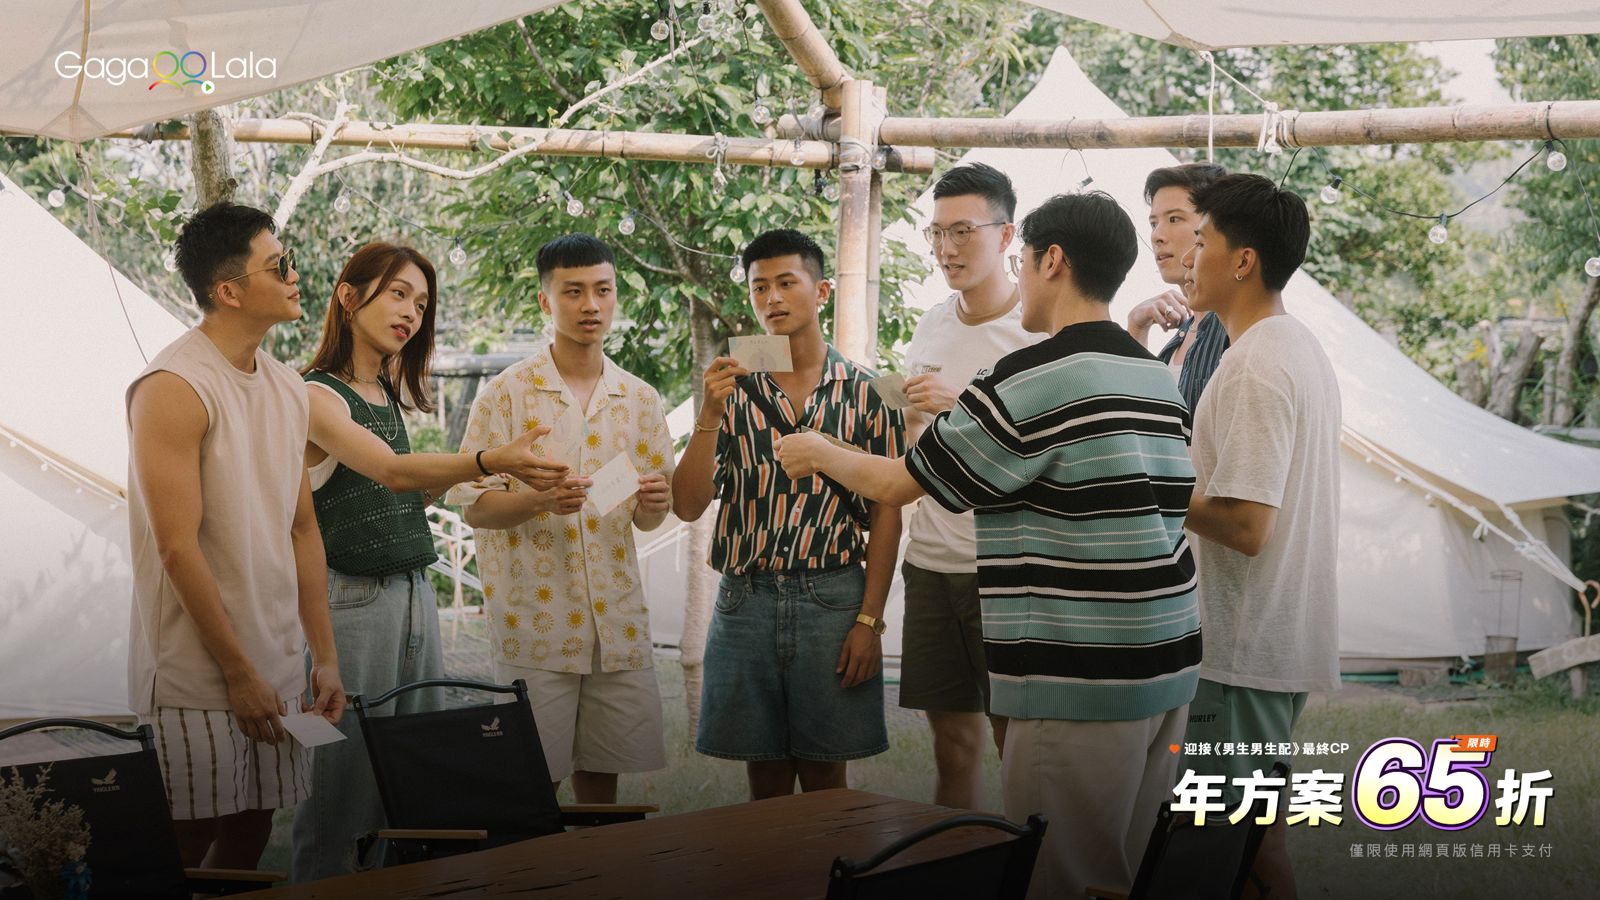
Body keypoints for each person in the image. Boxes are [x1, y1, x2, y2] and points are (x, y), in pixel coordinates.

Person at [774, 193, 1200, 900]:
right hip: (1166, 665)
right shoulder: (1156, 375)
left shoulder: (1030, 378)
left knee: (1063, 878)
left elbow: (903, 481)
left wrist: (818, 451)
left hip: (1080, 674)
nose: (1020, 276)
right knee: (1123, 873)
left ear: (1052, 261)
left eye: (1023, 259)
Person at [290, 242, 568, 880]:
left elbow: (401, 491)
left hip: (415, 594)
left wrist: (496, 483)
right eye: (397, 294)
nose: (411, 313)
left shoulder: (383, 394)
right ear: (347, 295)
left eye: (420, 303)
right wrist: (489, 458)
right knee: (341, 802)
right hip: (351, 602)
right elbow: (391, 472)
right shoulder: (314, 394)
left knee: (413, 787)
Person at [125, 202, 345, 870]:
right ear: (228, 291)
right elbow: (176, 546)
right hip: (197, 670)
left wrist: (324, 658)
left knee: (253, 826)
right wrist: (238, 673)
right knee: (186, 840)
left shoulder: (287, 386)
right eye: (278, 266)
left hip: (276, 660)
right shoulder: (173, 385)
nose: (295, 275)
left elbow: (302, 528)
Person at [671, 229, 904, 800]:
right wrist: (708, 414)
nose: (771, 298)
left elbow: (888, 510)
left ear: (821, 290)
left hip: (834, 598)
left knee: (827, 777)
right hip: (745, 598)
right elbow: (688, 503)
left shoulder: (869, 391)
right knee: (764, 778)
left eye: (785, 282)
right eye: (759, 287)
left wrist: (869, 621)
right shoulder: (732, 387)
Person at [448, 234, 675, 804]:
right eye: (573, 292)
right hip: (536, 626)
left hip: (617, 625)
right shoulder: (506, 395)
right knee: (531, 786)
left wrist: (653, 506)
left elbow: (648, 519)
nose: (590, 305)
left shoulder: (641, 399)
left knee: (603, 784)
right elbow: (475, 506)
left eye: (603, 290)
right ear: (546, 301)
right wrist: (538, 501)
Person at [1178, 173, 1341, 900]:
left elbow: (1247, 525)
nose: (1188, 257)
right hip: (1268, 641)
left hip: (1240, 649)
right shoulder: (1291, 346)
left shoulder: (1256, 364)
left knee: (1220, 850)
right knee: (1252, 842)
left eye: (1200, 240)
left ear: (1242, 260)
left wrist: (1148, 486)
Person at [901, 162, 1044, 809]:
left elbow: (1049, 450)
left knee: (1019, 742)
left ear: (1006, 235)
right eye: (937, 233)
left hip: (1007, 568)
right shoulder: (932, 321)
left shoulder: (1036, 332)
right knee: (951, 745)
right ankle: (957, 857)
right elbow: (914, 444)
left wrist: (961, 402)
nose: (946, 248)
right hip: (931, 561)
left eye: (963, 231)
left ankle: (1032, 860)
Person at [1123, 163, 1229, 411]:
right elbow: (1138, 418)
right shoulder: (1182, 334)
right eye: (1153, 223)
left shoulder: (1234, 329)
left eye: (1174, 219)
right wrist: (1137, 328)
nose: (1156, 236)